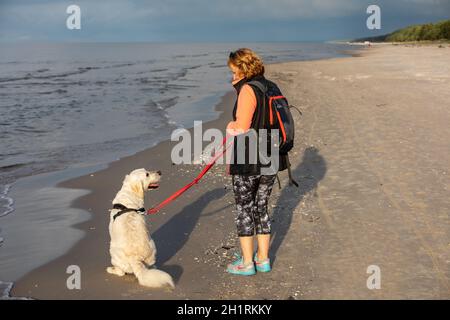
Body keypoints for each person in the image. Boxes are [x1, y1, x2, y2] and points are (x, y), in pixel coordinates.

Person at [225, 48, 288, 276]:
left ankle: (246, 263)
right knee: (261, 208)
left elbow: (241, 127)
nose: (232, 77)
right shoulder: (272, 86)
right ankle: (263, 259)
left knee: (244, 208)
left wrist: (229, 127)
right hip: (271, 153)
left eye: (233, 72)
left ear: (243, 69)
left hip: (249, 157)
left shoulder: (248, 90)